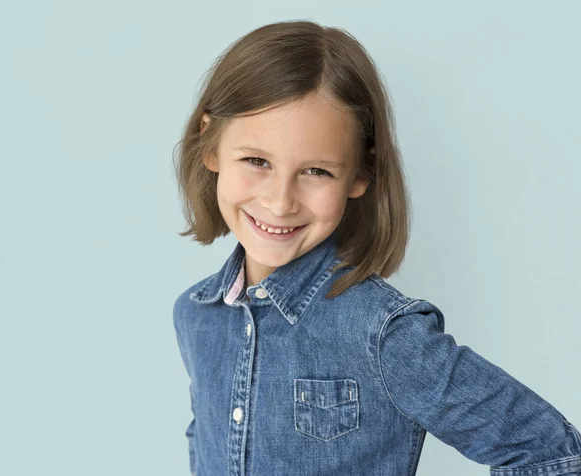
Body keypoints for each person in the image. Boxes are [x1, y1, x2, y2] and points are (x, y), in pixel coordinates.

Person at [171, 20, 581, 476]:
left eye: (317, 172)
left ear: (360, 175)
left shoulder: (381, 333)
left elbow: (549, 451)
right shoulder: (195, 315)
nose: (279, 201)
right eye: (256, 161)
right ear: (210, 146)